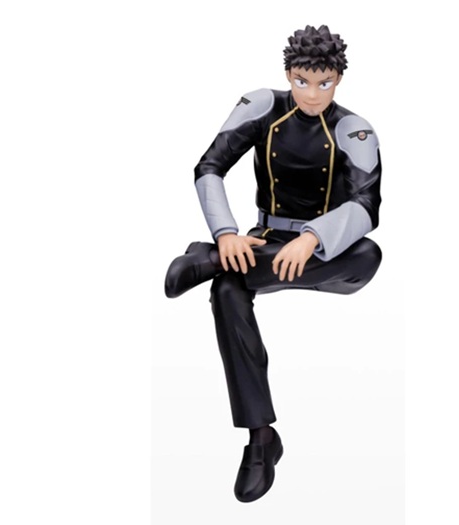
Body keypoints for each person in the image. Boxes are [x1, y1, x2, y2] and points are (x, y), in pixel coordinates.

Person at [163, 24, 383, 503]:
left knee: (369, 256)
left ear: (339, 80)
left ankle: (209, 261)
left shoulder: (354, 128)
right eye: (303, 81)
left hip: (325, 250)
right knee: (227, 291)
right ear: (288, 74)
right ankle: (261, 440)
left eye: (324, 83)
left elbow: (367, 205)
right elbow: (209, 166)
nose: (313, 94)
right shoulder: (263, 105)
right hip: (264, 241)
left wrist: (312, 237)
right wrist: (226, 233)